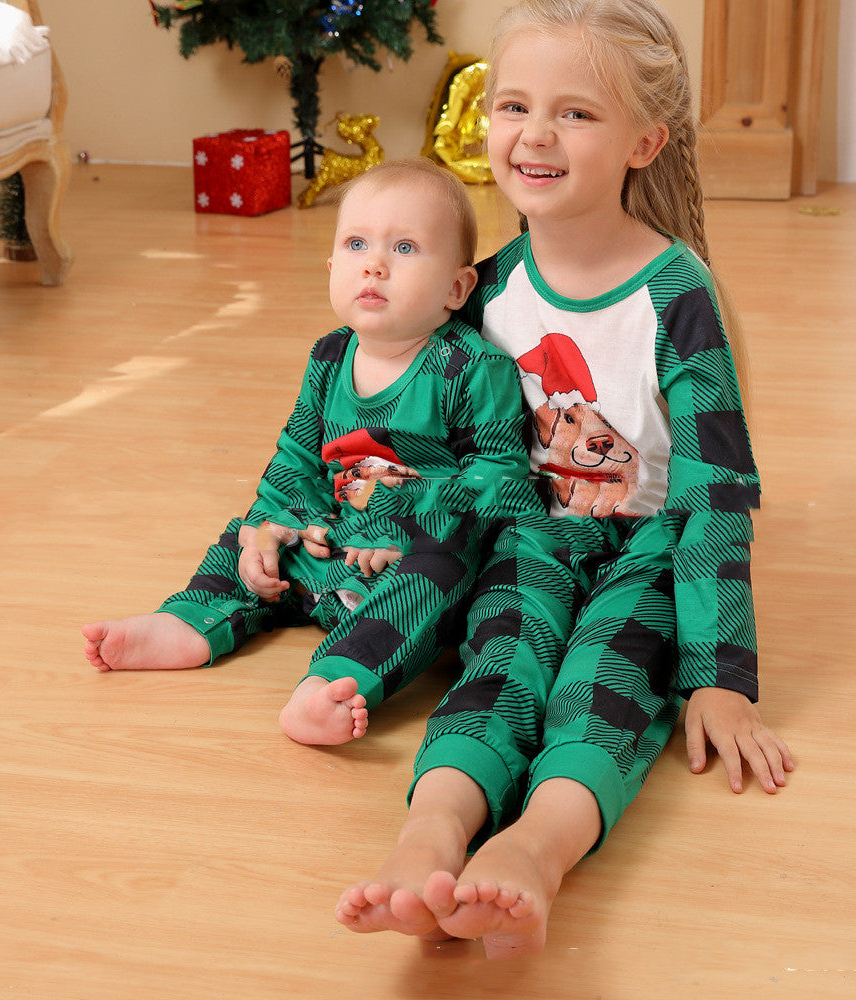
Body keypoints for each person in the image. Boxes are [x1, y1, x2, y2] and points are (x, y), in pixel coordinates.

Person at [335, 0, 795, 958]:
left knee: (603, 678)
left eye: (575, 113)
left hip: (647, 546)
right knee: (500, 662)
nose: (534, 134)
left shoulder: (677, 297)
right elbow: (427, 442)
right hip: (525, 537)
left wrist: (721, 680)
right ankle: (429, 832)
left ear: (643, 140)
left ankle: (538, 852)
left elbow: (716, 489)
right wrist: (360, 531)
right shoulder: (484, 288)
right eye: (512, 105)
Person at [82, 157, 542, 746]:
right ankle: (186, 624)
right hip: (332, 543)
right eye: (356, 244)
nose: (374, 263)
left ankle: (334, 679)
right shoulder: (329, 357)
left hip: (412, 555)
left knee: (439, 568)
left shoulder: (472, 367)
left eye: (404, 248)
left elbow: (502, 483)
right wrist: (270, 527)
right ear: (331, 266)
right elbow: (297, 460)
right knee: (242, 539)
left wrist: (405, 517)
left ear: (456, 287)